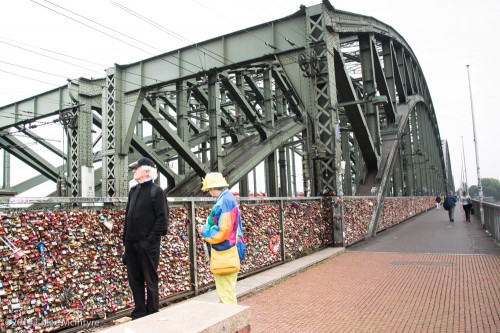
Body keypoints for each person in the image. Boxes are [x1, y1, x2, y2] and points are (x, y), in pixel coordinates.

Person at [123, 156, 168, 320]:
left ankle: (152, 311)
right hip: (131, 243)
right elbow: (128, 217)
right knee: (134, 278)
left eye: (137, 168)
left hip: (147, 245)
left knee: (150, 278)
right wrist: (125, 244)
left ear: (147, 171)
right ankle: (139, 311)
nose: (134, 171)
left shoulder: (157, 191)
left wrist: (149, 241)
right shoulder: (133, 191)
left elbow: (162, 219)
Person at [198, 172, 243, 304]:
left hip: (225, 250)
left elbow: (223, 231)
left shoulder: (224, 202)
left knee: (225, 293)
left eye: (208, 189)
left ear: (212, 188)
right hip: (231, 248)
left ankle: (231, 322)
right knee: (227, 290)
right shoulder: (228, 199)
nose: (208, 192)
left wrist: (204, 230)